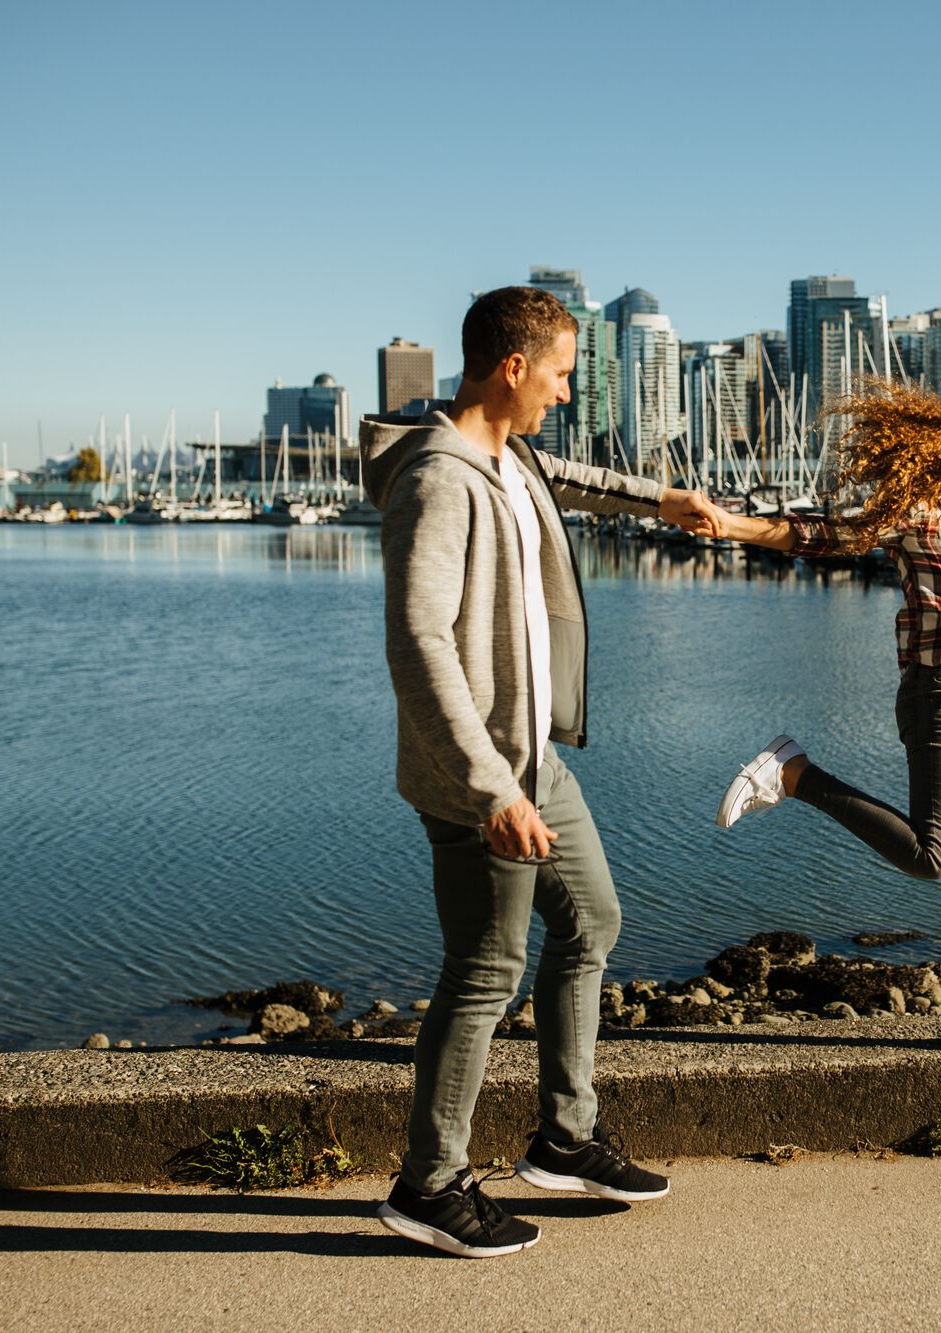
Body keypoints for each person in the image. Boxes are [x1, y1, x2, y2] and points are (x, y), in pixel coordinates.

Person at [365, 285, 722, 1259]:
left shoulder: (508, 456)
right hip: (478, 774)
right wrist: (491, 792)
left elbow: (574, 472)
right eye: (561, 373)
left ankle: (566, 1136)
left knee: (591, 920)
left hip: (531, 758)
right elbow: (416, 643)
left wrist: (667, 501)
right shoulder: (438, 477)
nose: (565, 392)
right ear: (513, 368)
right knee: (484, 970)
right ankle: (427, 1184)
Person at [711, 379, 941, 1052]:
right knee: (933, 856)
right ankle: (797, 773)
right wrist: (734, 524)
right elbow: (826, 536)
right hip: (940, 695)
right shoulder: (919, 514)